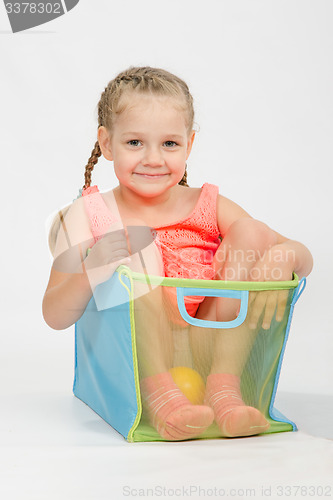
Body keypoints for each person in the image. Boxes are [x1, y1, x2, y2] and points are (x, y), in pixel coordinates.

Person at [42, 66, 313, 441]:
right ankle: (161, 396)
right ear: (106, 143)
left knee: (253, 232)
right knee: (139, 244)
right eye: (134, 143)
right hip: (136, 354)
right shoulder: (87, 214)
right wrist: (94, 267)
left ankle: (225, 391)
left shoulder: (208, 203)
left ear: (189, 144)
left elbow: (296, 253)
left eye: (169, 144)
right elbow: (54, 315)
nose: (153, 159)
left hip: (209, 344)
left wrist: (288, 257)